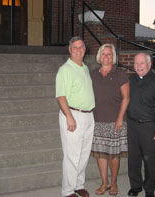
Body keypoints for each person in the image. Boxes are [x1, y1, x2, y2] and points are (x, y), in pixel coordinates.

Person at [55, 36, 95, 197]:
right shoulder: (65, 70)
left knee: (84, 154)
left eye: (81, 47)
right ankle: (67, 191)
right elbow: (61, 96)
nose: (79, 50)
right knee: (72, 156)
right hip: (72, 115)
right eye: (75, 47)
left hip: (88, 116)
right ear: (70, 50)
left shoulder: (84, 67)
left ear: (85, 50)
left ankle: (79, 185)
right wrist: (69, 117)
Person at [127, 53, 155, 197]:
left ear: (149, 64)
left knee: (149, 160)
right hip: (132, 125)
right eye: (136, 63)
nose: (138, 66)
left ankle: (149, 189)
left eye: (142, 63)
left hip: (149, 127)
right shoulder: (130, 79)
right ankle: (135, 186)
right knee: (133, 159)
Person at [90, 44, 130, 195]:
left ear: (113, 56)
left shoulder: (119, 73)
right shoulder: (93, 74)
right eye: (103, 54)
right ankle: (104, 182)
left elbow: (126, 97)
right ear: (99, 56)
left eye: (109, 54)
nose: (106, 57)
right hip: (98, 120)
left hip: (115, 121)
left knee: (113, 155)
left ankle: (113, 183)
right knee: (101, 154)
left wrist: (120, 118)